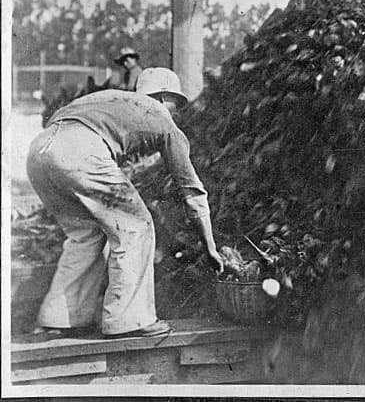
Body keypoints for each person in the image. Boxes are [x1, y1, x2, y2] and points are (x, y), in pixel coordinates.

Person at [27, 67, 223, 338]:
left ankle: (59, 318)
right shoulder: (163, 119)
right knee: (136, 226)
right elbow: (192, 192)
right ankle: (130, 320)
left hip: (40, 149)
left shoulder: (112, 99)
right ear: (164, 97)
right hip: (81, 149)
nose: (176, 113)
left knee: (85, 233)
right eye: (177, 105)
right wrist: (210, 247)